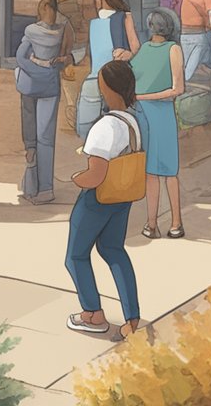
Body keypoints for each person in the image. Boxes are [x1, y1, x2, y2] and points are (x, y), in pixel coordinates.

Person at [64, 60, 145, 340]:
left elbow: (95, 175)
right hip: (123, 197)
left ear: (108, 88)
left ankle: (92, 315)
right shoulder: (132, 122)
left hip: (98, 199)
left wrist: (75, 178)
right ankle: (132, 318)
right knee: (113, 251)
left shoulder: (104, 126)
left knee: (75, 256)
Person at [130, 9, 186, 238]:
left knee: (168, 170)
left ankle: (176, 222)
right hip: (144, 115)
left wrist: (142, 97)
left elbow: (177, 89)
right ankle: (152, 223)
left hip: (161, 115)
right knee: (151, 172)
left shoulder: (173, 50)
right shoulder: (144, 49)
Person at [16, 0, 74, 204]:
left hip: (29, 87)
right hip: (50, 85)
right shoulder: (63, 30)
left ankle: (31, 185)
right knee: (46, 139)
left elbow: (21, 57)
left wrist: (36, 67)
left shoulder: (31, 31)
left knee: (30, 137)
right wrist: (50, 68)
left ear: (41, 9)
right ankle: (46, 189)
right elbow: (67, 57)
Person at [76, 0, 140, 138]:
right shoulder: (94, 21)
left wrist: (129, 54)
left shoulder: (123, 16)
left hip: (116, 74)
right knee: (85, 121)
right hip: (95, 75)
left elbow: (135, 45)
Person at [53, 0, 95, 132]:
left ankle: (73, 110)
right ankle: (77, 112)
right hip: (80, 37)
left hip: (70, 37)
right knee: (77, 73)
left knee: (69, 74)